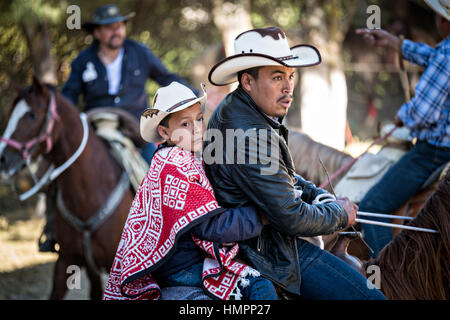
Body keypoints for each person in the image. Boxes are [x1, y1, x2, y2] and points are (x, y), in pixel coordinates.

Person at [204, 26, 386, 299]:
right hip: (268, 251)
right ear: (247, 82)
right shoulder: (250, 133)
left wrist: (319, 195)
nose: (288, 87)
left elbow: (282, 176)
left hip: (264, 240)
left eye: (290, 76)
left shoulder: (239, 109)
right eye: (277, 77)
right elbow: (290, 217)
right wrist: (340, 215)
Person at [103, 82, 278, 300]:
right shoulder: (175, 164)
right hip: (184, 268)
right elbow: (210, 227)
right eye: (185, 124)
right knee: (260, 287)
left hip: (179, 263)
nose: (196, 129)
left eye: (199, 119)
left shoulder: (181, 158)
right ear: (164, 131)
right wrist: (260, 217)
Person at [355, 0, 450, 257]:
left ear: (443, 21)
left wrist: (402, 116)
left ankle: (389, 275)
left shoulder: (446, 55)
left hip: (435, 152)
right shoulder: (443, 54)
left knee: (372, 206)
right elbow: (433, 57)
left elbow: (422, 113)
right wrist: (394, 42)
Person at [62, 4, 198, 163]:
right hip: (96, 129)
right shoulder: (83, 60)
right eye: (109, 27)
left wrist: (194, 96)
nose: (116, 32)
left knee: (153, 169)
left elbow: (166, 78)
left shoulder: (140, 52)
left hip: (136, 129)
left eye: (119, 26)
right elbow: (69, 95)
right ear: (97, 33)